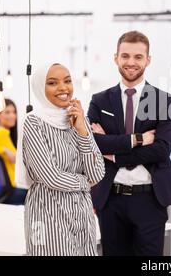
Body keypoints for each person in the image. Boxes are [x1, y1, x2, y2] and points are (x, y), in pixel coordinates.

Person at [88, 30, 171, 256]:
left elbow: (161, 150)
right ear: (116, 58)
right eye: (125, 56)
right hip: (111, 198)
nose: (131, 62)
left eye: (138, 57)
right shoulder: (100, 100)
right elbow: (93, 143)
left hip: (150, 198)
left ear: (148, 60)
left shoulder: (162, 100)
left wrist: (115, 154)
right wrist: (137, 140)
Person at [15, 63, 105, 256]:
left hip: (82, 216)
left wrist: (82, 130)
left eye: (67, 81)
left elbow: (98, 172)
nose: (63, 88)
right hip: (48, 215)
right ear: (41, 87)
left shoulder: (79, 119)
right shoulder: (34, 122)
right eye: (52, 83)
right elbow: (51, 177)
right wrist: (85, 182)